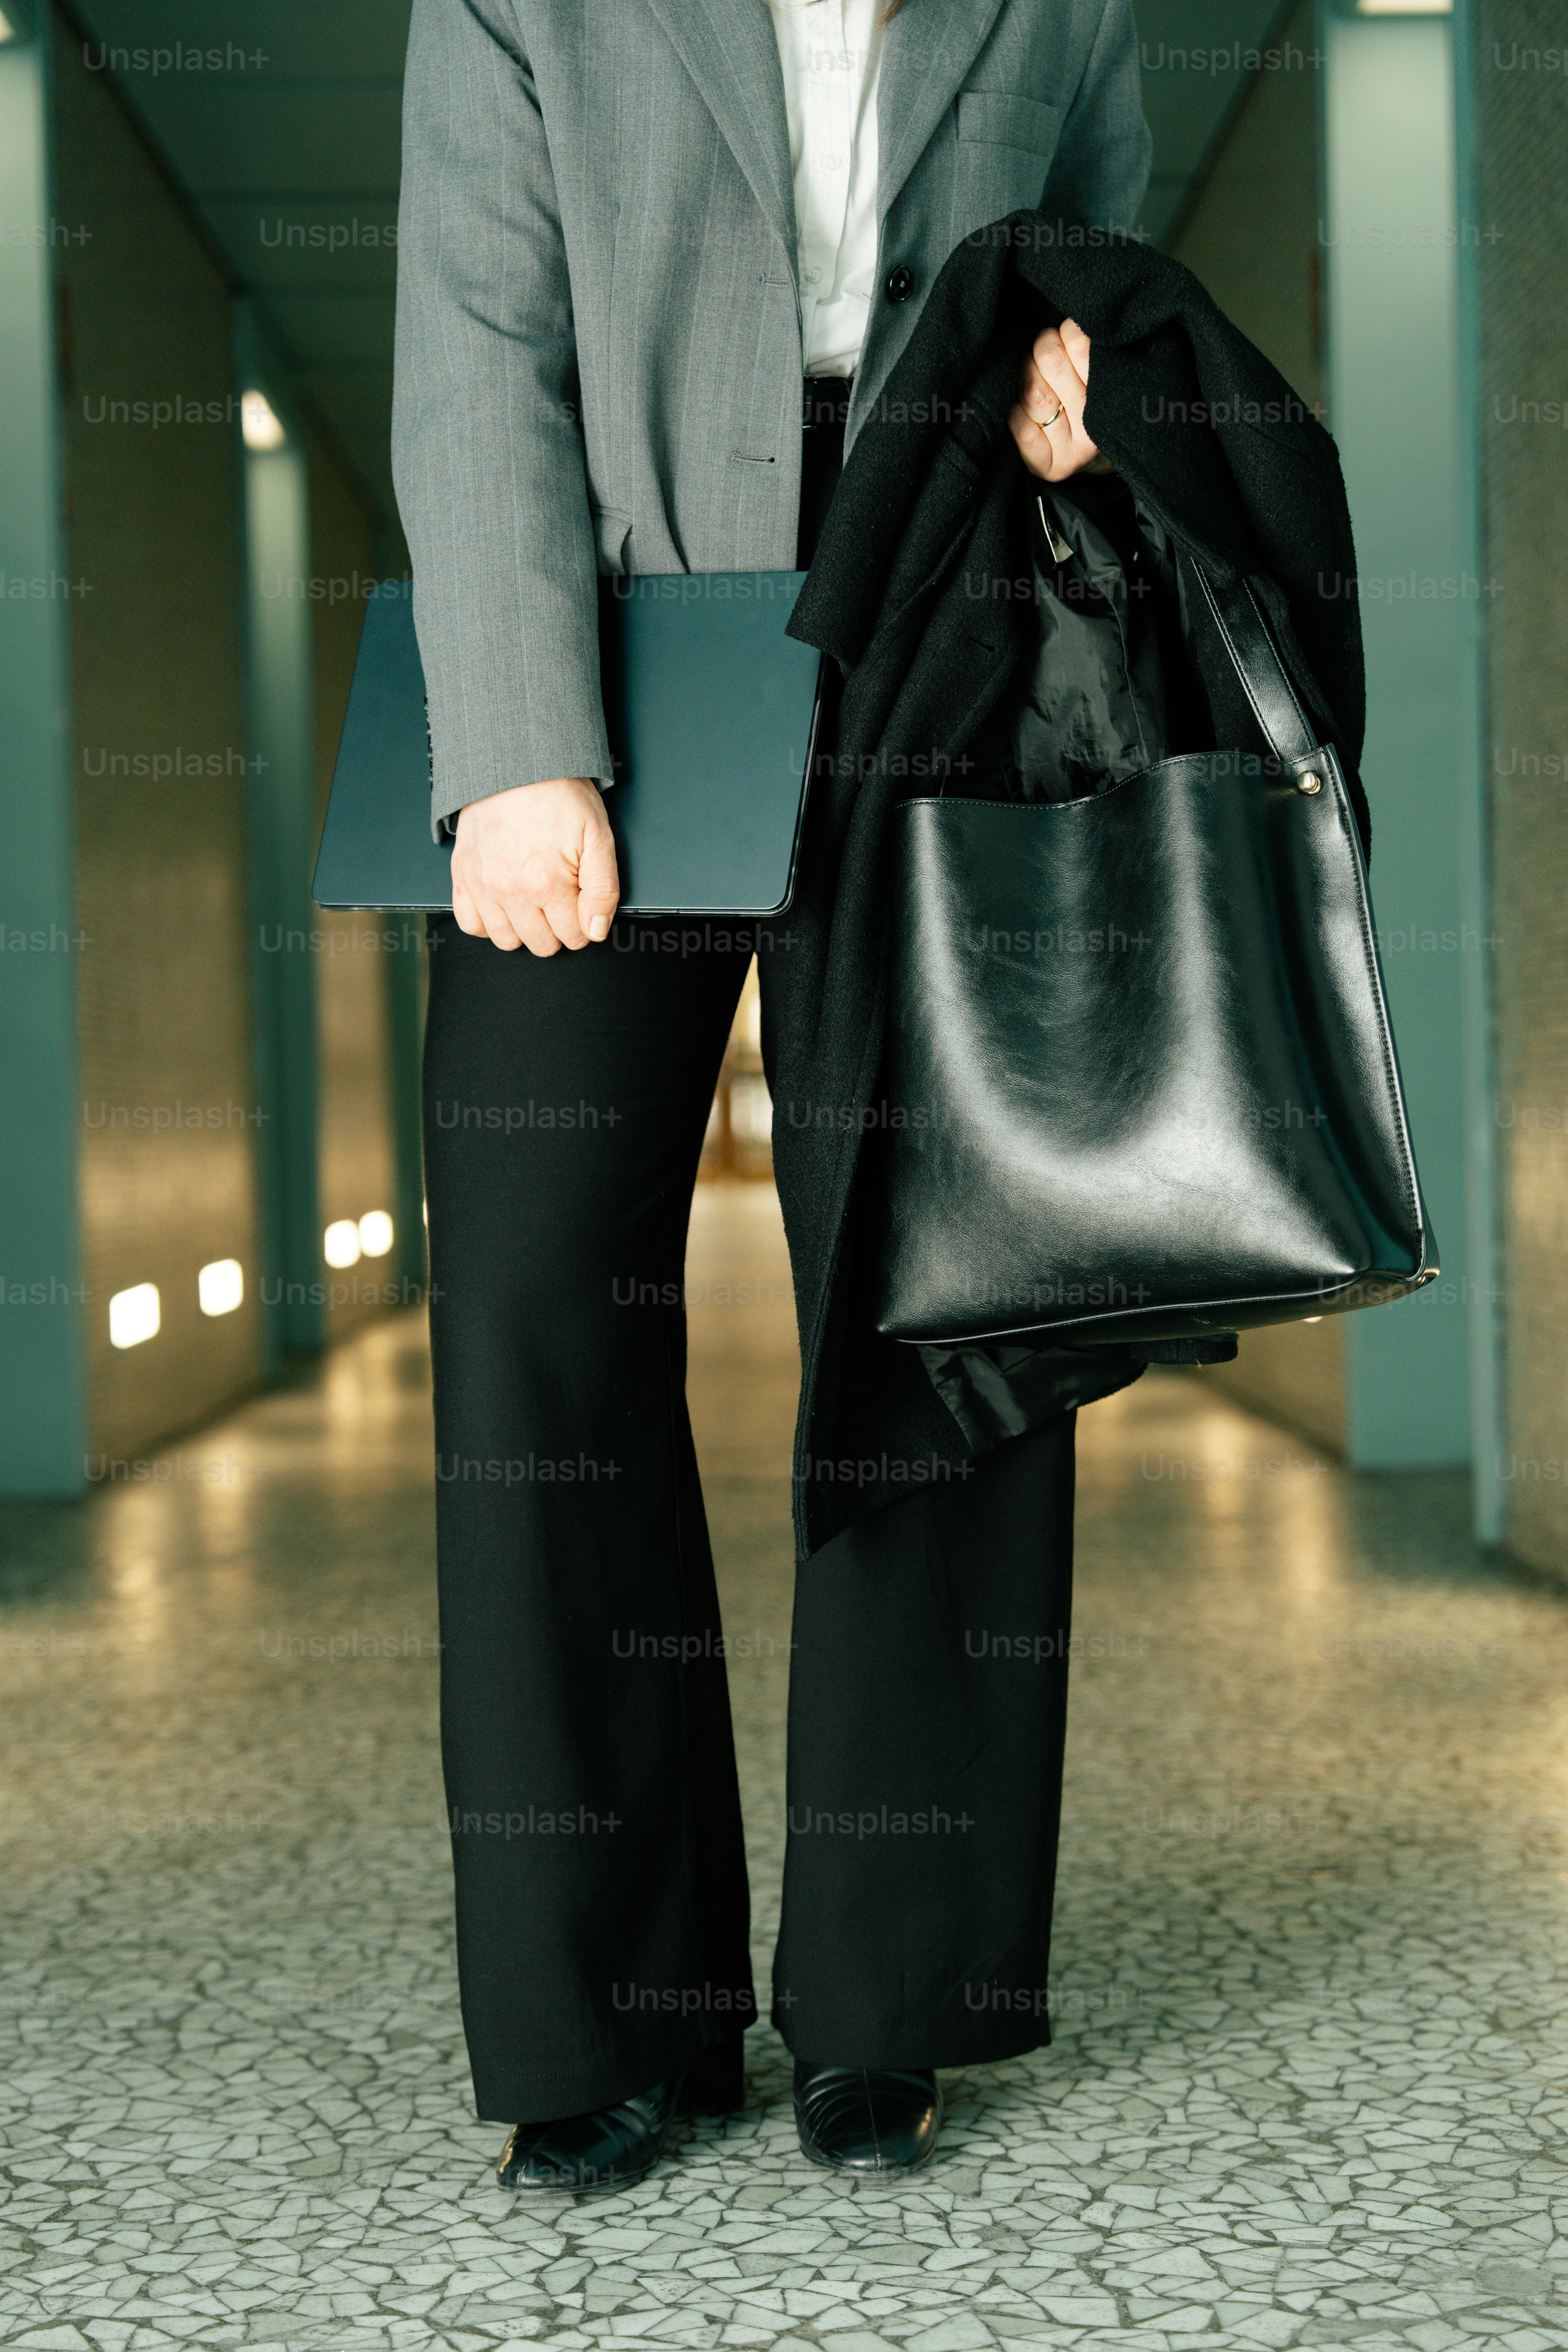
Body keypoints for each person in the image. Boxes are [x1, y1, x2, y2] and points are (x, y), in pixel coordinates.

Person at [392, 0, 1150, 2191]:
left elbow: (1101, 271)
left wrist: (1088, 388)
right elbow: (474, 334)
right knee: (540, 1317)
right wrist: (517, 738)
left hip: (952, 619)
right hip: (614, 617)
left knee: (942, 1290)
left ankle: (889, 1999)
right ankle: (606, 2012)